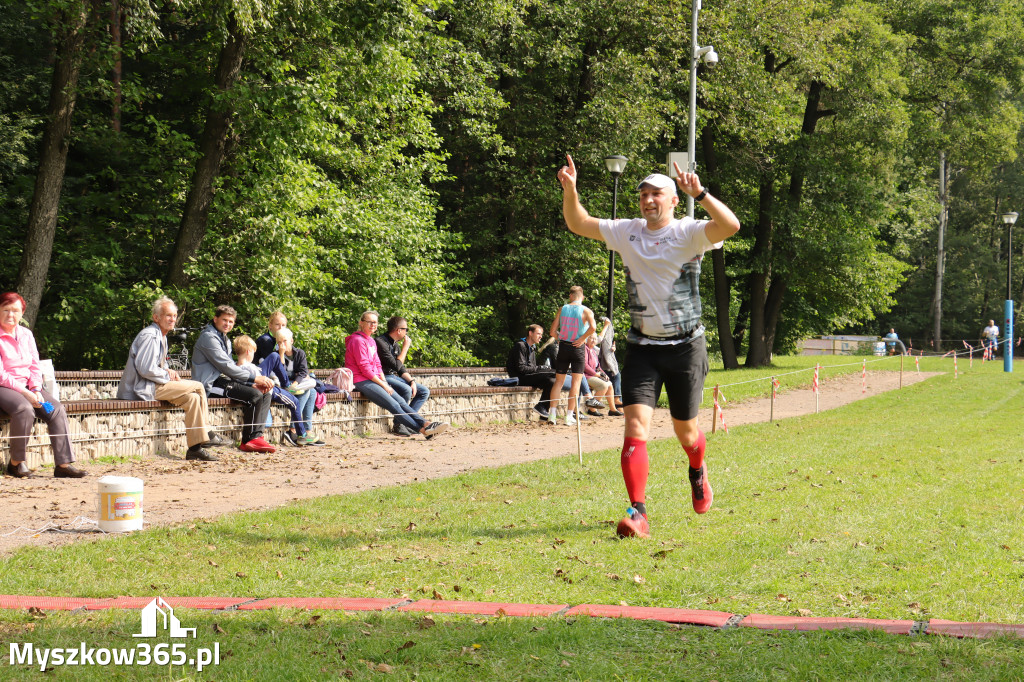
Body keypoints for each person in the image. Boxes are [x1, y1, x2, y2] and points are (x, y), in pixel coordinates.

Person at [557, 154, 741, 538]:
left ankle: (697, 471)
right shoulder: (628, 231)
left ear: (674, 200)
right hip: (641, 347)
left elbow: (731, 225)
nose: (648, 200)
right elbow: (578, 222)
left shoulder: (690, 232)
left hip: (686, 348)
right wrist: (571, 191)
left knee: (686, 433)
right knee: (635, 426)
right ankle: (638, 513)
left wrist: (702, 193)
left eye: (656, 193)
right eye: (643, 194)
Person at [117, 296, 225, 462]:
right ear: (156, 317)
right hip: (143, 388)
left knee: (193, 399)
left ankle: (195, 449)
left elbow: (152, 366)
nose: (172, 319)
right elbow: (145, 368)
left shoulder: (161, 336)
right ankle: (208, 433)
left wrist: (167, 370)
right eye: (168, 315)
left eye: (174, 316)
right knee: (198, 386)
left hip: (152, 384)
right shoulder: (151, 336)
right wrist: (167, 374)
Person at [0, 292, 86, 478]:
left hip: (28, 387)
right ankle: (16, 464)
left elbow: (34, 365)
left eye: (15, 310)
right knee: (24, 409)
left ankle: (63, 465)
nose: (10, 315)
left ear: (22, 313)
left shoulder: (26, 335)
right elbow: (2, 375)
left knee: (56, 409)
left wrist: (36, 389)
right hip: (4, 387)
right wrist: (26, 393)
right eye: (5, 310)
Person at [345, 310, 448, 439]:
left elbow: (377, 364)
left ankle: (427, 426)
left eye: (375, 322)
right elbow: (365, 368)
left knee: (401, 402)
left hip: (374, 379)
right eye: (369, 322)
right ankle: (424, 429)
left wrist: (384, 382)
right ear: (361, 323)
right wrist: (383, 384)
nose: (373, 325)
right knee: (393, 405)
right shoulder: (357, 340)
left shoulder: (371, 341)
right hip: (362, 380)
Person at [191, 305, 277, 453]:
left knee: (264, 392)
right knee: (254, 395)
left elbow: (231, 368)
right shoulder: (208, 338)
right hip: (210, 385)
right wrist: (254, 379)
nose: (227, 324)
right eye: (224, 320)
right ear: (215, 319)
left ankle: (256, 438)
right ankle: (248, 440)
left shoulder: (225, 340)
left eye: (231, 321)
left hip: (224, 381)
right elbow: (226, 367)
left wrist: (251, 383)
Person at [258, 329, 325, 447]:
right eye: (279, 342)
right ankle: (294, 429)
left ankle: (307, 430)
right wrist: (282, 354)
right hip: (283, 384)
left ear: (292, 341)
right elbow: (280, 372)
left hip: (296, 384)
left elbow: (303, 371)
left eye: (284, 341)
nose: (282, 345)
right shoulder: (276, 354)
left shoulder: (299, 353)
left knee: (312, 388)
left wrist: (295, 383)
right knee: (307, 392)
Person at [545, 286, 596, 426]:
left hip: (563, 347)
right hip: (578, 348)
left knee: (558, 382)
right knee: (576, 383)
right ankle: (569, 416)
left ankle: (552, 415)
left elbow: (552, 331)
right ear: (582, 297)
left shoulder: (563, 309)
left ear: (571, 296)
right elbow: (593, 328)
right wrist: (582, 339)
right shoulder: (586, 311)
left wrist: (560, 337)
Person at [376, 316, 431, 419]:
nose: (406, 332)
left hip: (393, 377)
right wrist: (405, 347)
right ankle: (400, 423)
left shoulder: (395, 345)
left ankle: (409, 421)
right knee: (406, 390)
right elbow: (396, 366)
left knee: (424, 391)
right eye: (406, 329)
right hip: (383, 377)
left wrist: (412, 381)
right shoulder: (380, 342)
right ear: (399, 330)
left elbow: (401, 369)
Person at [506, 324, 558, 419]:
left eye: (541, 334)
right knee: (555, 373)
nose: (541, 336)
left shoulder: (533, 348)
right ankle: (542, 407)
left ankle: (542, 408)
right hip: (520, 378)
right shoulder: (520, 346)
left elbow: (532, 367)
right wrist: (540, 368)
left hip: (529, 376)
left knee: (552, 381)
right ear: (530, 333)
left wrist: (538, 369)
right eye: (538, 334)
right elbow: (521, 368)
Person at [583, 334, 619, 416]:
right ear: (587, 339)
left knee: (609, 384)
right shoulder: (585, 349)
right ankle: (592, 409)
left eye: (595, 339)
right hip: (586, 376)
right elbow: (585, 366)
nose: (593, 340)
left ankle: (612, 409)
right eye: (592, 338)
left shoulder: (593, 351)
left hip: (594, 375)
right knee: (603, 385)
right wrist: (595, 374)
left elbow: (598, 366)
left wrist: (604, 374)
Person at [596, 316, 623, 409]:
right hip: (595, 371)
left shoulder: (591, 347)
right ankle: (616, 404)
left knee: (615, 376)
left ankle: (616, 407)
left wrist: (610, 350)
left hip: (599, 369)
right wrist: (606, 326)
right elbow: (599, 339)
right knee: (614, 376)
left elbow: (601, 349)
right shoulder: (587, 342)